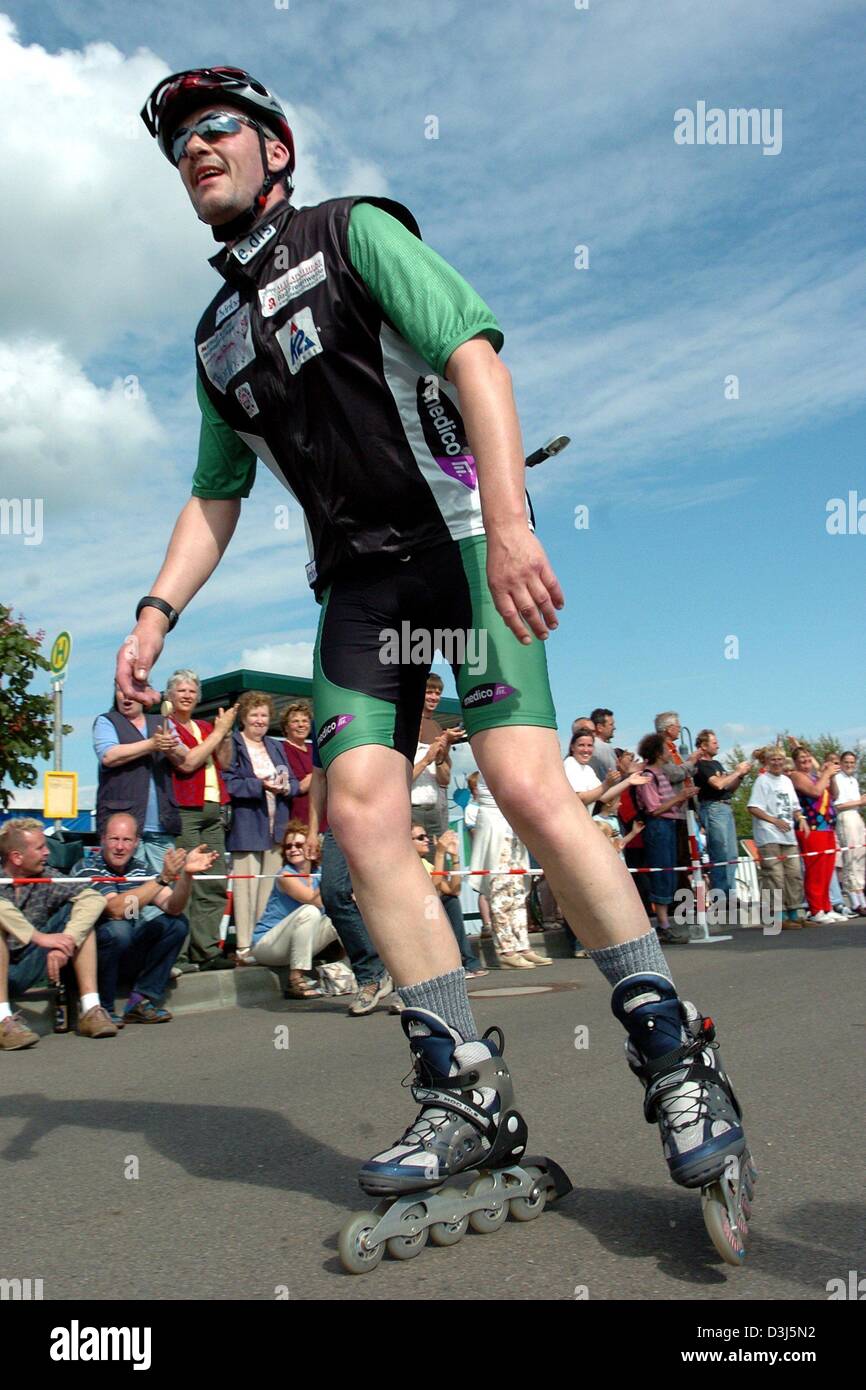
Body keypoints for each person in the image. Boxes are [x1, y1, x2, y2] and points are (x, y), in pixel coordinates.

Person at [122, 65, 750, 1234]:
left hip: (461, 542)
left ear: (276, 146)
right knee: (358, 812)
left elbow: (473, 356)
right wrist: (155, 612)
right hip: (360, 585)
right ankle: (463, 1088)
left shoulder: (353, 231)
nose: (196, 149)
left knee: (520, 781)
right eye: (178, 145)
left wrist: (508, 524)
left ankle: (675, 1055)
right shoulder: (213, 338)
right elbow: (214, 495)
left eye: (219, 128)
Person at [72, 813, 217, 1022]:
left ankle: (140, 999)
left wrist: (186, 875)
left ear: (136, 843)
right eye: (114, 839)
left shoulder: (140, 868)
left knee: (176, 924)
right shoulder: (88, 866)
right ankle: (103, 1008)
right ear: (102, 839)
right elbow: (115, 909)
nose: (120, 847)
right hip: (92, 957)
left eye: (127, 840)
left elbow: (173, 907)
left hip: (127, 949)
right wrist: (162, 879)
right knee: (119, 929)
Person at [0, 819, 117, 1045]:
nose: (47, 852)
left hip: (27, 964)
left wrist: (68, 941)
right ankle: (3, 1021)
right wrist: (40, 938)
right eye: (40, 847)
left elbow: (93, 897)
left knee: (81, 917)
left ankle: (91, 1009)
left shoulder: (47, 875)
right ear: (17, 857)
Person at [163, 669, 237, 969]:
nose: (187, 695)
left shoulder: (206, 727)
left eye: (192, 690)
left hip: (213, 808)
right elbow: (188, 762)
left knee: (214, 880)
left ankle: (206, 950)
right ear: (169, 695)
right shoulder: (165, 727)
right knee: (185, 881)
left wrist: (225, 732)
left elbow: (226, 761)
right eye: (181, 690)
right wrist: (219, 733)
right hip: (185, 810)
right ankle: (178, 955)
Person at [223, 691, 298, 962]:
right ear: (244, 717)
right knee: (245, 889)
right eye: (254, 714)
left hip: (276, 828)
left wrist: (287, 785)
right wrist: (260, 785)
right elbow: (228, 782)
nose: (259, 720)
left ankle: (263, 943)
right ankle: (243, 947)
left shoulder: (276, 746)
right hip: (246, 826)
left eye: (264, 715)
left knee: (270, 890)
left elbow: (295, 782)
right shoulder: (233, 743)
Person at [93, 685, 183, 874]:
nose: (126, 698)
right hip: (123, 831)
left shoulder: (162, 721)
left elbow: (184, 758)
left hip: (162, 826)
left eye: (132, 693)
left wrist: (171, 747)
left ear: (145, 696)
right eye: (121, 692)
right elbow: (109, 755)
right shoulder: (106, 722)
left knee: (164, 888)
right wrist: (152, 744)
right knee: (131, 891)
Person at [251, 819, 339, 997]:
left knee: (341, 915)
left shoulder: (318, 873)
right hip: (268, 946)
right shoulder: (285, 875)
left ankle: (362, 970)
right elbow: (314, 900)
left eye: (299, 844)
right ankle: (295, 980)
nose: (292, 849)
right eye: (288, 846)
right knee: (310, 911)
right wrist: (334, 872)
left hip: (296, 945)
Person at [633, 734, 695, 944]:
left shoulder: (659, 774)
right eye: (666, 749)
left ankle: (665, 922)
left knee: (668, 871)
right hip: (658, 827)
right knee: (662, 872)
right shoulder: (649, 776)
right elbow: (654, 809)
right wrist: (680, 797)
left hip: (668, 824)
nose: (670, 752)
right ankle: (663, 924)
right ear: (659, 753)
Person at [412, 826, 487, 977]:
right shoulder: (410, 864)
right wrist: (439, 853)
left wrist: (454, 857)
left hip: (430, 908)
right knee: (441, 902)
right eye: (421, 837)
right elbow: (431, 892)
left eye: (426, 836)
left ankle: (467, 961)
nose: (427, 840)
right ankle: (461, 962)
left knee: (451, 900)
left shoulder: (427, 864)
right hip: (417, 913)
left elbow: (454, 890)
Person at [747, 747, 808, 928]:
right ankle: (777, 914)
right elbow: (753, 807)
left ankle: (795, 911)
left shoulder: (787, 781)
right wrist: (773, 820)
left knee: (794, 873)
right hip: (769, 835)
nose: (777, 763)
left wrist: (801, 818)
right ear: (766, 762)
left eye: (780, 759)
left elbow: (795, 806)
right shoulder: (762, 781)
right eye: (773, 759)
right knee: (775, 876)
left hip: (788, 835)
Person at [693, 730, 752, 906]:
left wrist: (740, 776)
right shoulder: (701, 766)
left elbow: (728, 788)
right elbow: (718, 784)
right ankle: (721, 897)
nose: (717, 745)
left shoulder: (717, 764)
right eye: (713, 742)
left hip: (725, 807)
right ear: (703, 746)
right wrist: (736, 771)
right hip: (713, 808)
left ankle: (730, 894)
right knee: (720, 852)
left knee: (731, 854)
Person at [789, 747, 845, 924]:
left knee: (827, 870)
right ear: (796, 762)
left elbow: (834, 794)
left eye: (808, 758)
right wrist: (826, 774)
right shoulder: (797, 776)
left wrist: (832, 776)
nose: (806, 762)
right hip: (811, 827)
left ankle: (826, 906)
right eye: (802, 759)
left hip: (826, 826)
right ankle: (815, 909)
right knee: (815, 869)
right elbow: (815, 792)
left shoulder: (816, 776)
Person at [833, 752, 866, 914]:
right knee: (851, 857)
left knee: (860, 856)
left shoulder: (853, 780)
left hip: (856, 814)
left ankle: (861, 897)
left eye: (852, 762)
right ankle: (855, 901)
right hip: (846, 816)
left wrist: (859, 802)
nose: (849, 765)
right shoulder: (838, 778)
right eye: (846, 762)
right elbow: (838, 805)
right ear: (841, 762)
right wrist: (859, 801)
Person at [281, 701, 317, 826]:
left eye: (305, 721)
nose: (301, 725)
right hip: (299, 821)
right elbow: (300, 786)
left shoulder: (313, 749)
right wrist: (322, 771)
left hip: (322, 818)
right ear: (286, 727)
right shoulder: (283, 750)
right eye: (295, 721)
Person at [588, 707, 617, 781]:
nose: (614, 728)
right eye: (611, 725)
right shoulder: (605, 748)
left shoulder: (583, 746)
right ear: (599, 727)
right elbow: (615, 778)